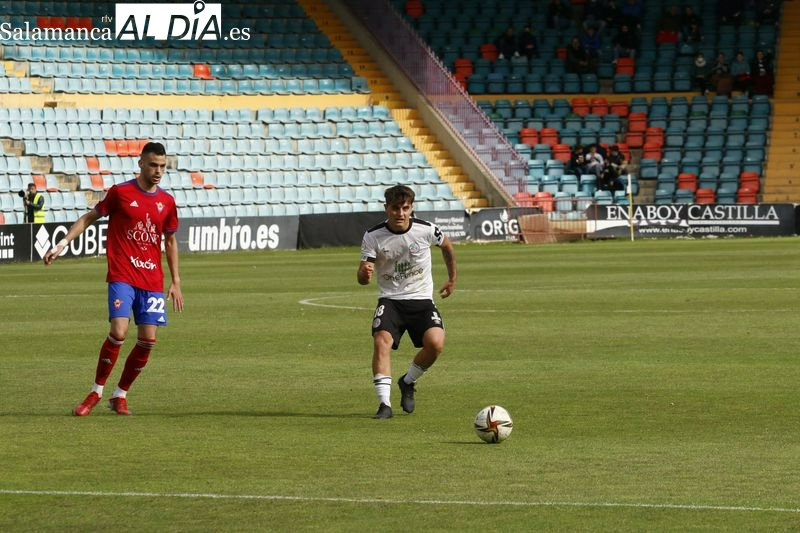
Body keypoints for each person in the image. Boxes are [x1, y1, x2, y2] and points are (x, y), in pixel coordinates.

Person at [43, 142, 184, 416]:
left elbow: (170, 240)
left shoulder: (166, 202)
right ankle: (96, 391)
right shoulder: (121, 192)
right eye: (153, 165)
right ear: (141, 163)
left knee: (148, 340)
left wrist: (176, 280)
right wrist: (62, 244)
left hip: (152, 279)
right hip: (122, 274)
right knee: (119, 332)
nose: (158, 171)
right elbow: (89, 217)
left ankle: (120, 395)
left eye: (162, 166)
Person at [357, 185, 457, 420]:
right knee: (381, 341)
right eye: (395, 208)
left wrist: (452, 278)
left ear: (411, 209)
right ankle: (384, 405)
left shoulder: (426, 230)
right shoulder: (372, 236)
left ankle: (407, 381)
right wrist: (364, 273)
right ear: (386, 209)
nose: (400, 213)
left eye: (405, 208)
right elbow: (362, 278)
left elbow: (447, 247)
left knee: (436, 344)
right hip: (391, 300)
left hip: (422, 300)